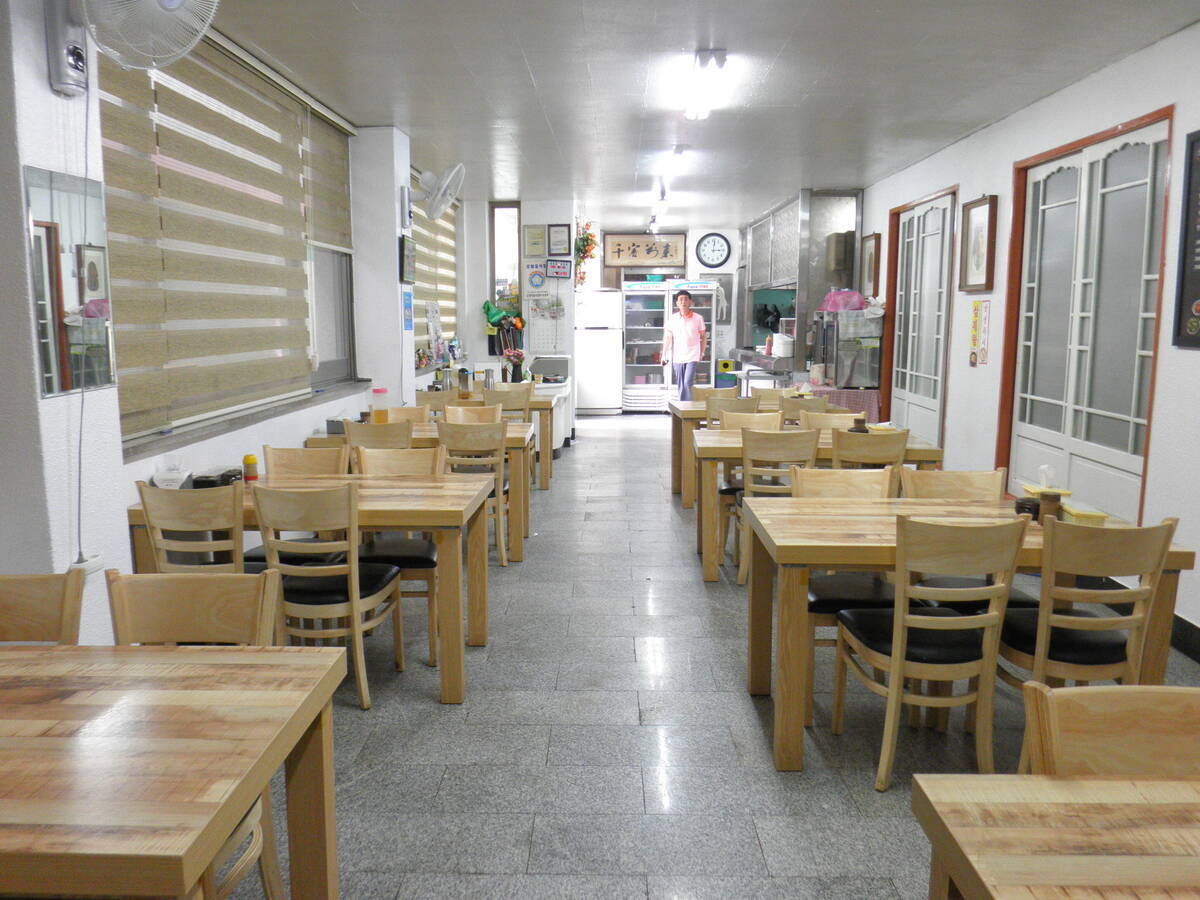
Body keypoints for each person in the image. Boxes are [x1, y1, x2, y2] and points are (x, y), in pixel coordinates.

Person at [662, 290, 707, 401]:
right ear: (677, 303)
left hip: (693, 355)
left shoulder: (698, 318)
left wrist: (702, 353)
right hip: (677, 356)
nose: (683, 302)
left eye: (686, 299)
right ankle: (683, 406)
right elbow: (668, 337)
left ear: (690, 302)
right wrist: (663, 355)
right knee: (680, 384)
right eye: (680, 299)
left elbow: (703, 337)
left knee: (687, 382)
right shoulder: (672, 318)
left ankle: (687, 407)